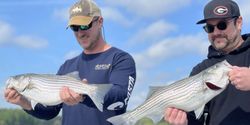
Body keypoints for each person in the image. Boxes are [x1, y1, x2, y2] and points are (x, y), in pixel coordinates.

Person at [4, 0, 136, 125]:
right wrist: (23, 102)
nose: (80, 33)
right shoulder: (67, 66)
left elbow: (120, 97)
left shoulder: (121, 59)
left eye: (85, 25)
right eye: (75, 27)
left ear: (100, 22)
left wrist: (84, 95)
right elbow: (51, 112)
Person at [164, 0, 250, 125]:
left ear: (239, 23)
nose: (215, 32)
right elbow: (195, 119)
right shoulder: (200, 70)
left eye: (222, 25)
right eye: (210, 28)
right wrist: (182, 122)